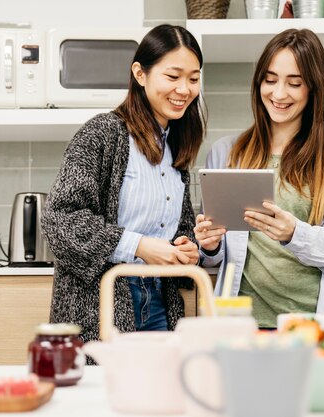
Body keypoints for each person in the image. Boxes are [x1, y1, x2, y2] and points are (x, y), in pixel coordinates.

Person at [195, 28, 324, 329]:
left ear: (313, 89)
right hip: (246, 325)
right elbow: (214, 257)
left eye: (295, 83)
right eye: (270, 79)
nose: (278, 94)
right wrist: (209, 245)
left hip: (317, 323)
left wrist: (294, 234)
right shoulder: (226, 153)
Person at [42, 24, 205, 348]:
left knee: (159, 394)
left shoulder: (176, 147)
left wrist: (188, 248)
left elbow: (178, 229)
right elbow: (60, 219)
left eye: (194, 78)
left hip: (160, 302)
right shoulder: (103, 134)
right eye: (172, 77)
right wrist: (140, 245)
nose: (184, 89)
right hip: (102, 303)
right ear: (140, 74)